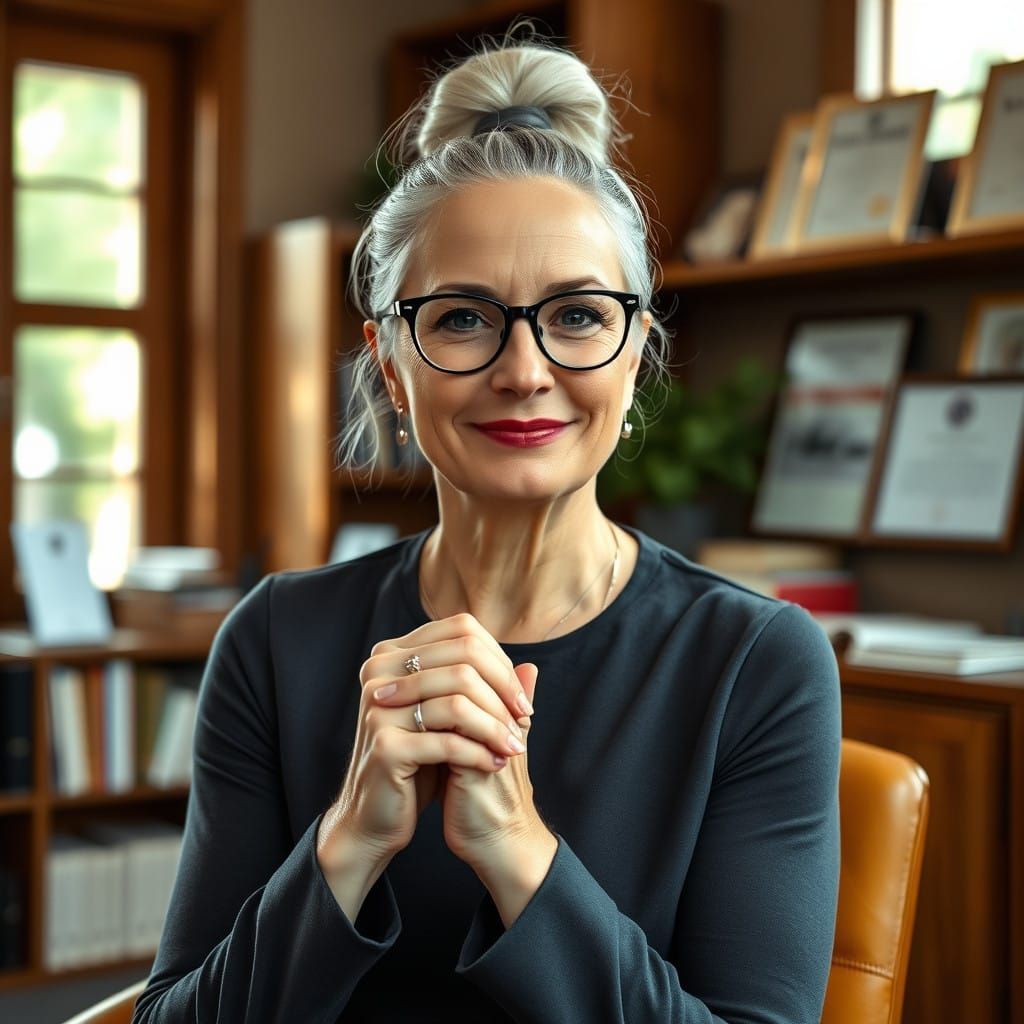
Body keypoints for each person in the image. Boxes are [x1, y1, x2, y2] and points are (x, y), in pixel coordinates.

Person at [132, 34, 840, 1024]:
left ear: (635, 351)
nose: (522, 369)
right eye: (463, 317)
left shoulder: (757, 661)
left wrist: (517, 852)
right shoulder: (273, 640)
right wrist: (347, 844)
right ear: (389, 362)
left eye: (579, 316)